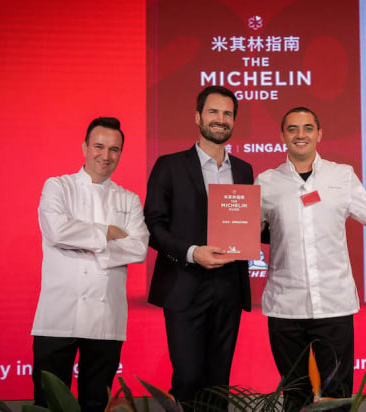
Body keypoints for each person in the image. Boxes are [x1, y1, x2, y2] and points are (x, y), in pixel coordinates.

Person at [255, 107, 366, 411]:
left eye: (307, 128)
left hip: (334, 302)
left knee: (338, 396)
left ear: (319, 134)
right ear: (282, 136)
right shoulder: (266, 182)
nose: (300, 135)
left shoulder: (341, 175)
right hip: (285, 306)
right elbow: (247, 230)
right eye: (292, 129)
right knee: (294, 394)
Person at [144, 86, 254, 410]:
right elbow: (153, 226)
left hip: (229, 289)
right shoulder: (169, 165)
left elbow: (248, 223)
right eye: (213, 112)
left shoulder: (244, 170)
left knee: (219, 383)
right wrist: (193, 252)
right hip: (184, 286)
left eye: (227, 114)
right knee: (188, 379)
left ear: (234, 121)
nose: (220, 120)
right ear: (198, 117)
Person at [31, 117, 149, 411]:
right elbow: (57, 230)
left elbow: (139, 247)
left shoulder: (129, 199)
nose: (105, 156)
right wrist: (107, 233)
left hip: (104, 317)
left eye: (114, 149)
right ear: (85, 147)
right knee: (48, 402)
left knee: (97, 403)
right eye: (98, 146)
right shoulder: (58, 186)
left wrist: (82, 239)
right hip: (58, 315)